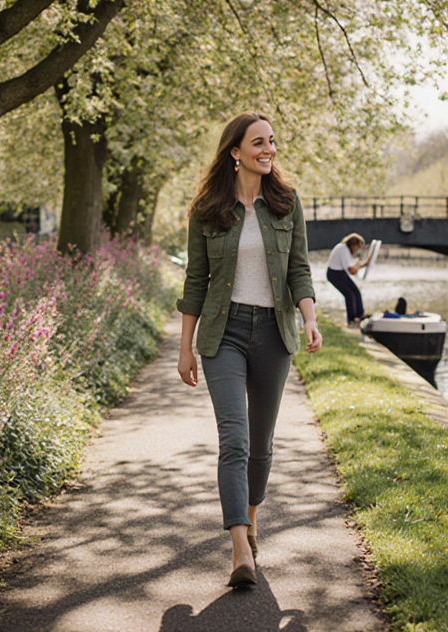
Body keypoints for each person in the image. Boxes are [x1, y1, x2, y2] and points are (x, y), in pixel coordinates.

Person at [176, 112, 323, 588]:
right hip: (225, 333)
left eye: (272, 142)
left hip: (274, 334)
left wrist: (310, 317)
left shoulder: (286, 203)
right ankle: (240, 547)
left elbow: (299, 268)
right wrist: (185, 348)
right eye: (258, 142)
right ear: (235, 151)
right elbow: (195, 281)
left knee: (261, 447)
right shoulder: (207, 209)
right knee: (234, 440)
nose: (269, 149)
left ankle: (251, 516)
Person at [326, 233, 371, 325]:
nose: (358, 250)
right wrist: (364, 264)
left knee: (355, 291)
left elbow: (352, 267)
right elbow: (352, 270)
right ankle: (352, 319)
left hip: (339, 272)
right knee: (349, 294)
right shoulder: (343, 249)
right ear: (354, 245)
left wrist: (362, 264)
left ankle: (359, 315)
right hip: (335, 274)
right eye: (358, 247)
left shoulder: (344, 248)